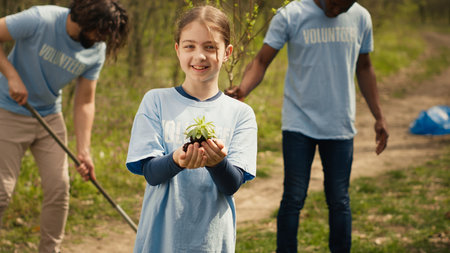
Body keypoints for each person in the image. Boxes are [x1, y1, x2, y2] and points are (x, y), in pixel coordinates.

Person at [226, 0, 389, 252]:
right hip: (298, 123)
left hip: (340, 124)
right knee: (293, 198)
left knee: (339, 201)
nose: (337, 11)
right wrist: (243, 89)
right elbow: (261, 60)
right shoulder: (291, 15)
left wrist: (379, 116)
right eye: (335, 4)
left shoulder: (361, 17)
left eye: (344, 7)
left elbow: (365, 67)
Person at [126, 5, 257, 253]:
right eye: (190, 46)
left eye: (210, 47)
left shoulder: (241, 114)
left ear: (226, 52)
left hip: (211, 242)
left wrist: (217, 163)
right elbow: (152, 174)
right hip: (160, 240)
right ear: (178, 50)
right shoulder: (156, 101)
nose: (199, 56)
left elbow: (232, 185)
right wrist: (178, 159)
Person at [0, 0, 128, 252]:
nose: (102, 40)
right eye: (99, 32)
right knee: (2, 192)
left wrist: (84, 151)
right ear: (84, 19)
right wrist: (11, 74)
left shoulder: (96, 47)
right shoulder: (40, 19)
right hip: (8, 110)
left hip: (49, 115)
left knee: (59, 189)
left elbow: (85, 100)